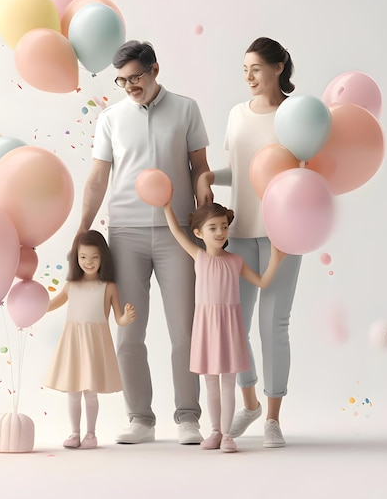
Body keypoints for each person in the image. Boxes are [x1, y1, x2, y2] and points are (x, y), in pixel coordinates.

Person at [77, 40, 213, 444]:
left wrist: (206, 205)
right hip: (125, 234)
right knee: (129, 331)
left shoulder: (186, 109)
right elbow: (99, 176)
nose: (129, 86)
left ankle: (188, 416)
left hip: (178, 234)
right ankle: (140, 418)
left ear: (155, 69)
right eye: (121, 80)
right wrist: (83, 230)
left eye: (135, 77)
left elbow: (200, 167)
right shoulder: (111, 118)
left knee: (184, 331)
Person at [198, 37, 302, 448]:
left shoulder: (295, 116)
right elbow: (241, 172)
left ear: (278, 67)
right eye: (245, 69)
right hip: (236, 237)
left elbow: (304, 171)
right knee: (233, 324)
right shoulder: (237, 115)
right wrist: (210, 177)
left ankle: (273, 418)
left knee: (273, 325)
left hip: (283, 235)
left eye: (256, 68)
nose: (248, 76)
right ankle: (249, 403)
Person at [163, 199, 285, 452]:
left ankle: (228, 434)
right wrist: (166, 206)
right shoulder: (199, 256)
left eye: (223, 226)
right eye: (213, 228)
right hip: (206, 326)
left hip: (229, 326)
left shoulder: (235, 261)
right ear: (198, 233)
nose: (220, 232)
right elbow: (176, 231)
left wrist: (275, 259)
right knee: (211, 383)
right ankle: (216, 431)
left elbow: (262, 283)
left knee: (228, 383)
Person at [44, 230, 136, 449]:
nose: (88, 262)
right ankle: (74, 433)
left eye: (94, 257)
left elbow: (117, 318)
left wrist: (125, 318)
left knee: (90, 390)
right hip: (73, 343)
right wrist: (32, 305)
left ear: (103, 257)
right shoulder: (71, 285)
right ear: (76, 258)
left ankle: (91, 434)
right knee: (73, 390)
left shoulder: (108, 287)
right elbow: (51, 304)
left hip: (95, 343)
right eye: (83, 257)